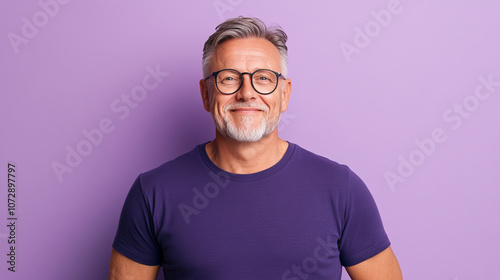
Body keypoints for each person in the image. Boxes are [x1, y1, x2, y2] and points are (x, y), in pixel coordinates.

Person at [108, 16, 403, 280]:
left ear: (284, 94)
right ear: (206, 94)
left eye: (263, 78)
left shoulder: (341, 189)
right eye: (228, 78)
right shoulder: (153, 192)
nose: (246, 92)